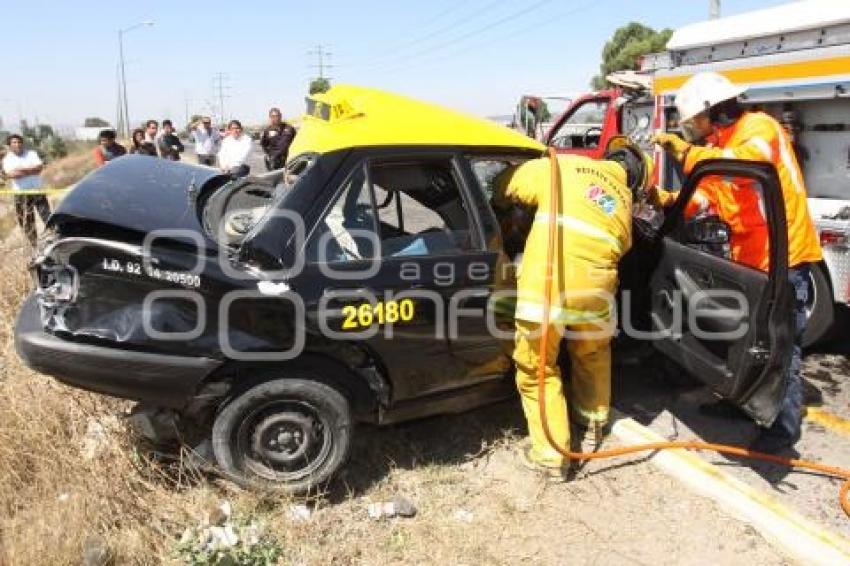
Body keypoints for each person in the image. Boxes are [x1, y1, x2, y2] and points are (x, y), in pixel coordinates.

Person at [652, 71, 823, 453]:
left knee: (780, 348)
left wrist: (685, 152)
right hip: (750, 264)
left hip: (784, 258)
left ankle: (783, 428)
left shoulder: (758, 128)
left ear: (712, 111)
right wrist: (664, 198)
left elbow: (749, 164)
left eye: (694, 120)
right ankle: (746, 406)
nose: (692, 129)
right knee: (748, 342)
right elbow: (707, 199)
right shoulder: (720, 146)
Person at [494, 139, 650, 479]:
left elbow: (506, 183)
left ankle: (551, 457)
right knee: (592, 354)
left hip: (547, 291)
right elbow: (621, 249)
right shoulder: (623, 201)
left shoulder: (561, 167)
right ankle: (592, 423)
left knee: (538, 369)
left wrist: (500, 201)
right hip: (596, 295)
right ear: (633, 180)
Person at [1, 134, 51, 247]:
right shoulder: (7, 159)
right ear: (9, 145)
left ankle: (55, 239)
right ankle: (35, 246)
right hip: (21, 193)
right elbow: (12, 174)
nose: (17, 144)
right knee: (28, 221)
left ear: (22, 143)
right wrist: (30, 170)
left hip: (37, 190)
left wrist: (22, 170)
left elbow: (39, 168)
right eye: (14, 142)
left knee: (47, 216)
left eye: (19, 142)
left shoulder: (31, 154)